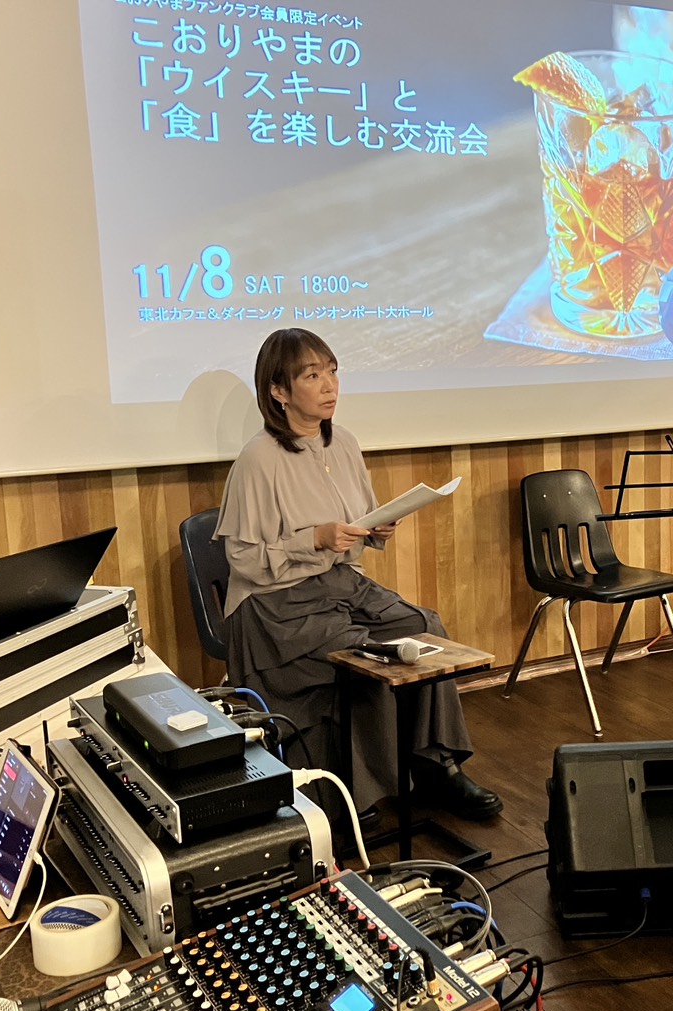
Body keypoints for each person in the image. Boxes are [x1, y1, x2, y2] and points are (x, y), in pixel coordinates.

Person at [214, 328, 503, 821]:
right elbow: (243, 560)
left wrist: (376, 528)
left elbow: (358, 523)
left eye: (332, 372)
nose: (329, 385)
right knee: (366, 653)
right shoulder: (258, 459)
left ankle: (437, 765)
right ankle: (357, 796)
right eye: (312, 375)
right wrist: (313, 538)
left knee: (424, 627)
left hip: (337, 584)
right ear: (279, 391)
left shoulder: (343, 442)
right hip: (273, 604)